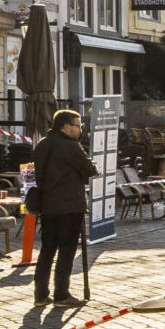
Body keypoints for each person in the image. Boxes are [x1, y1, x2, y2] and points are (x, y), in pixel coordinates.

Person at [29, 109, 97, 305]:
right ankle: (62, 294)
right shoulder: (71, 146)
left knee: (47, 250)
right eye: (78, 125)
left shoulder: (42, 144)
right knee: (66, 251)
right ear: (66, 127)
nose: (80, 129)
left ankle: (40, 294)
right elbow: (89, 169)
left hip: (47, 206)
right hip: (69, 206)